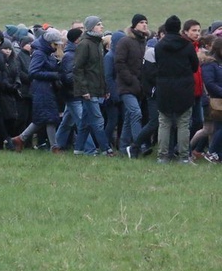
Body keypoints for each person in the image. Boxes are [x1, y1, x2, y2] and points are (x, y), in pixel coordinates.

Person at [154, 15, 199, 163]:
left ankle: (162, 156)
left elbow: (157, 64)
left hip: (164, 87)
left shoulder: (159, 45)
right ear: (180, 28)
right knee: (183, 123)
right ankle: (184, 156)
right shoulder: (187, 46)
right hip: (184, 88)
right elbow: (194, 66)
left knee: (164, 123)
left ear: (166, 28)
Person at [13, 28, 62, 152]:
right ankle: (54, 147)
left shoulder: (46, 52)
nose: (57, 47)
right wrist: (54, 75)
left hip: (46, 89)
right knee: (48, 118)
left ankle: (21, 139)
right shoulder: (40, 53)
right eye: (55, 44)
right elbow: (33, 72)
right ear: (49, 43)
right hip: (42, 89)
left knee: (43, 118)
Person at [73, 16, 114, 156]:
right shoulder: (84, 44)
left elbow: (100, 69)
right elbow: (78, 68)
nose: (101, 27)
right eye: (98, 24)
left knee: (85, 122)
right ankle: (106, 149)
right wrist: (83, 90)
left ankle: (78, 150)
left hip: (97, 89)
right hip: (88, 90)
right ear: (91, 27)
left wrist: (105, 89)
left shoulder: (98, 44)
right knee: (98, 120)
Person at [114, 14, 149, 155]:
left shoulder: (144, 42)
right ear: (134, 25)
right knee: (136, 113)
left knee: (130, 117)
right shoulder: (125, 41)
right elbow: (119, 62)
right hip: (126, 86)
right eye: (141, 22)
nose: (144, 24)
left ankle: (123, 148)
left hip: (139, 87)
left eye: (146, 22)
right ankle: (139, 146)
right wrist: (130, 79)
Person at [200, 37, 222, 162]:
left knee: (219, 127)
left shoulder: (219, 64)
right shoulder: (210, 63)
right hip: (215, 100)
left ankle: (218, 154)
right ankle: (212, 151)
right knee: (216, 128)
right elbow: (209, 83)